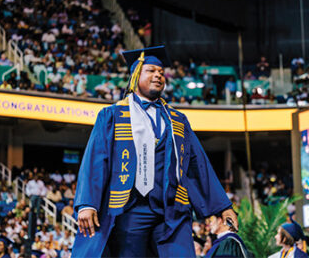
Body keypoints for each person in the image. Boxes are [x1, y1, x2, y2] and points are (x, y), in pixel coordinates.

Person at [73, 46, 236, 258]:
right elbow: (95, 160)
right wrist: (87, 203)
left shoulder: (177, 120)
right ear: (135, 76)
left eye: (161, 72)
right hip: (130, 210)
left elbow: (197, 165)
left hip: (171, 210)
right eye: (151, 70)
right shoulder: (113, 115)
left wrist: (222, 207)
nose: (158, 75)